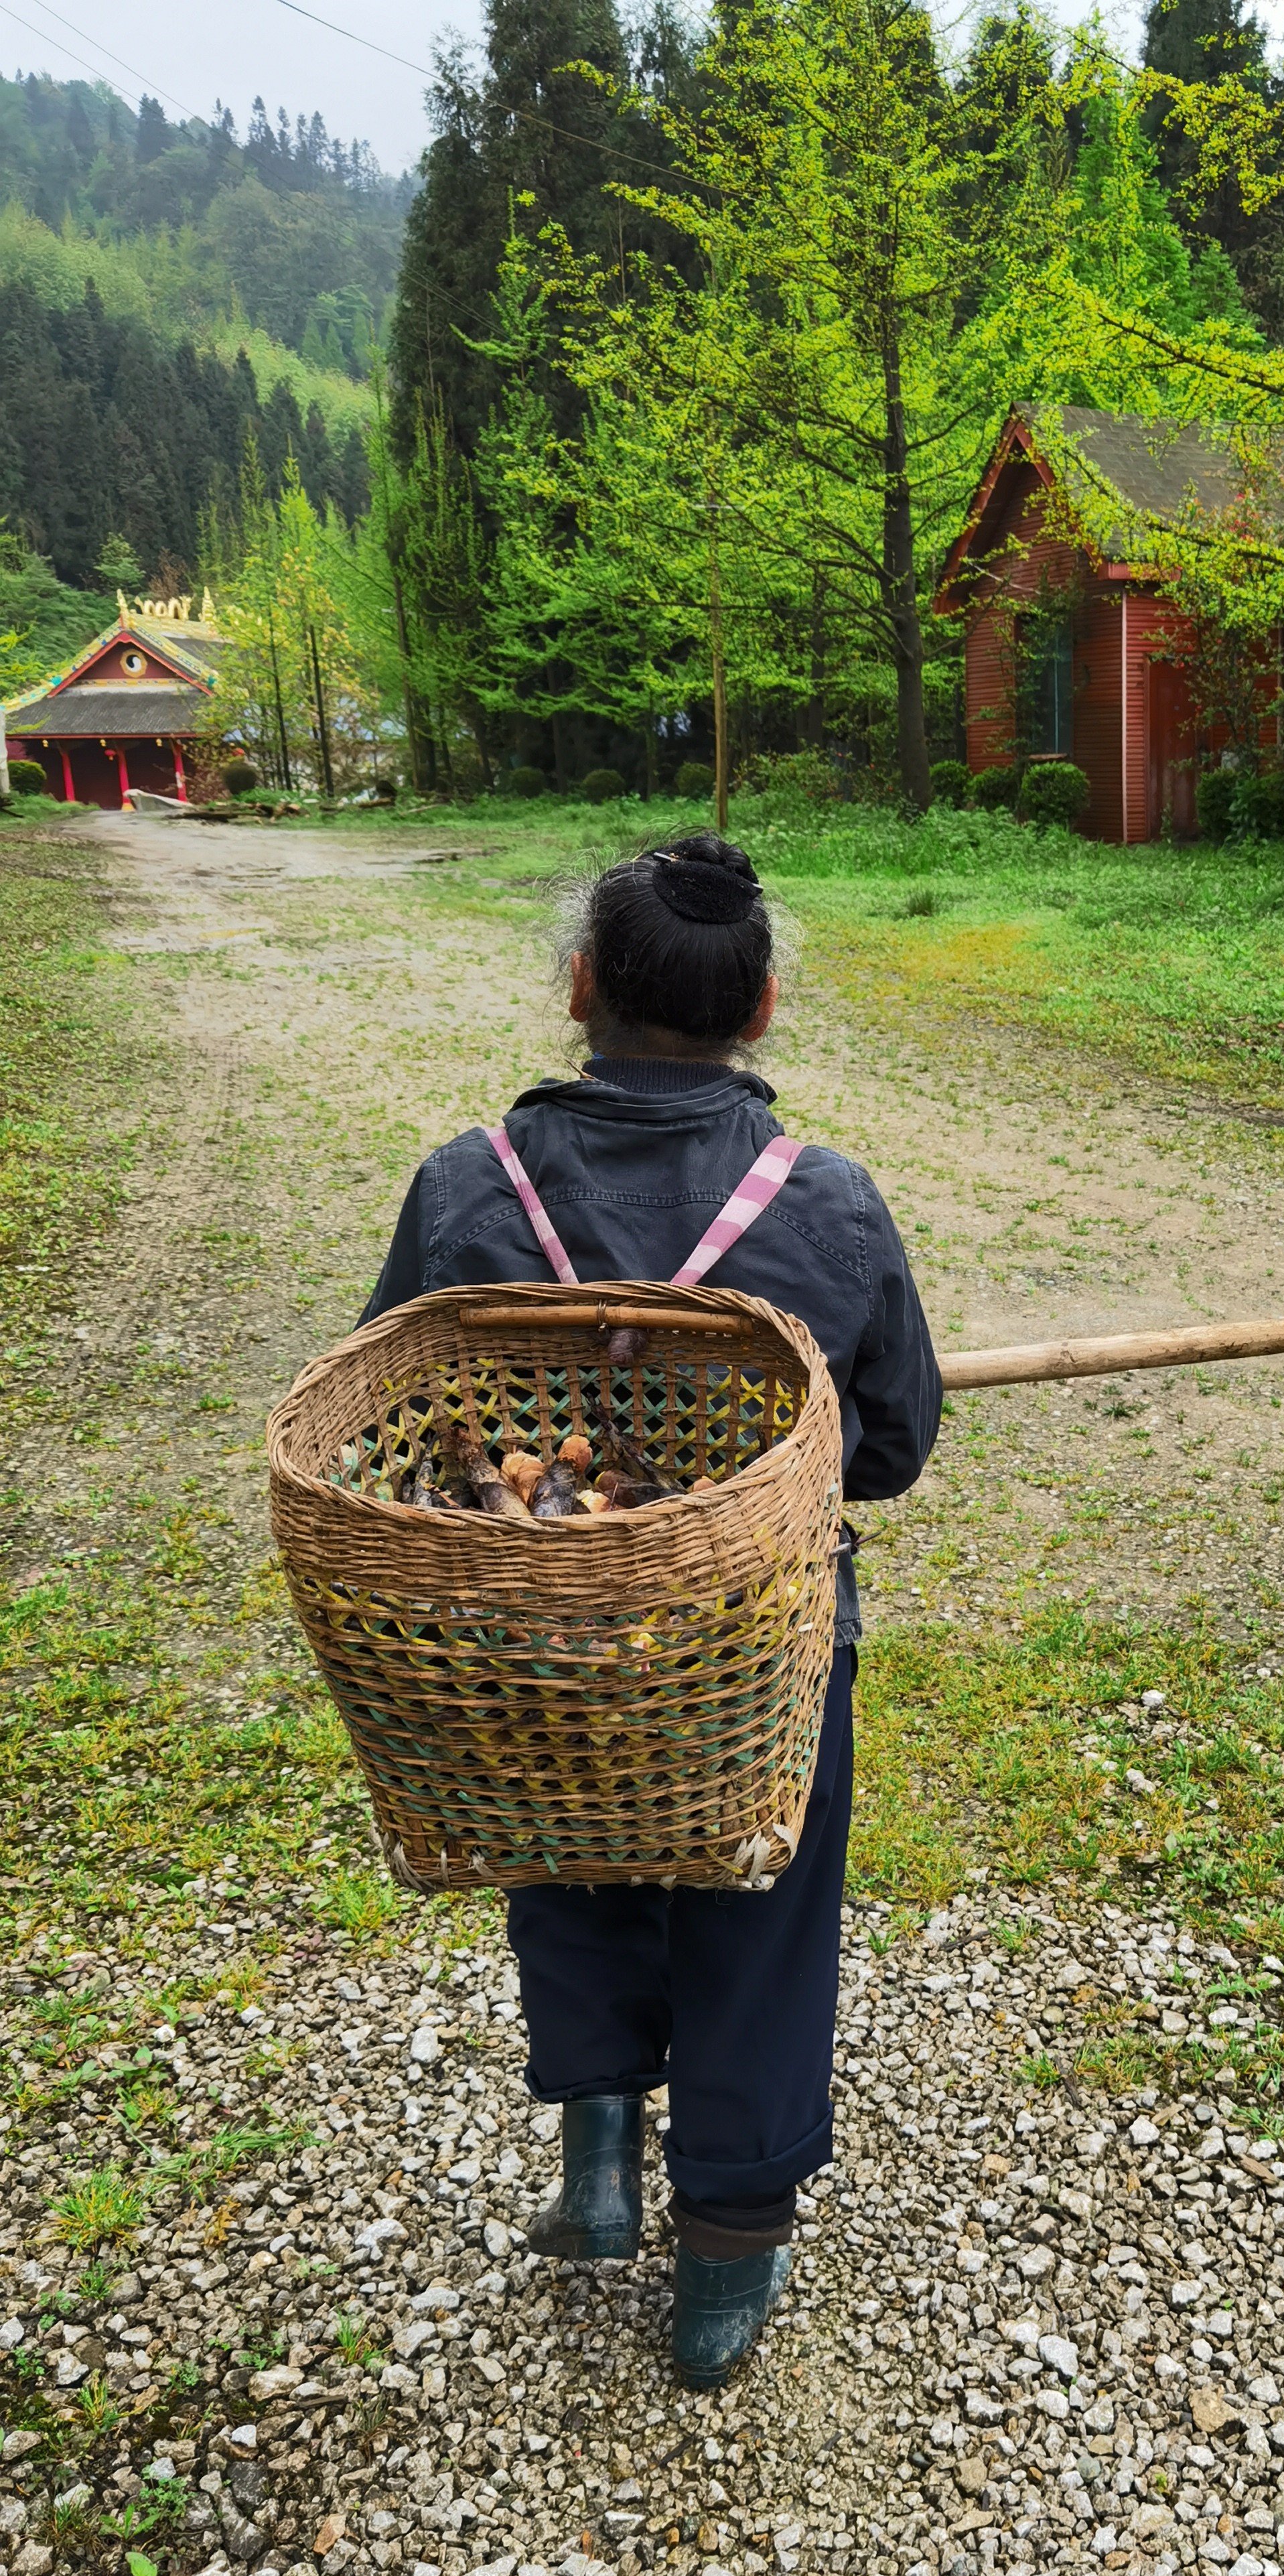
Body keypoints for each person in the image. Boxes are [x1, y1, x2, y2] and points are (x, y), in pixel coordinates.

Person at [362, 832, 940, 2386]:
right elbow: (886, 1448)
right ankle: (727, 2256)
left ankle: (600, 2153)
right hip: (754, 1650)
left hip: (528, 1637)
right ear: (760, 1008)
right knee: (757, 1899)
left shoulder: (461, 1187)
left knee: (559, 1830)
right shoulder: (824, 1205)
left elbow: (396, 1414)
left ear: (578, 987)